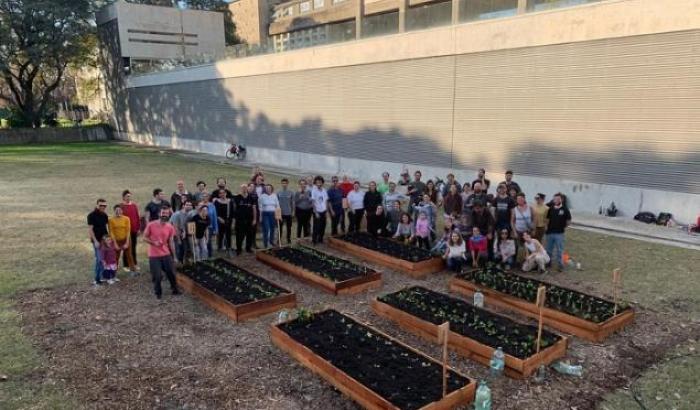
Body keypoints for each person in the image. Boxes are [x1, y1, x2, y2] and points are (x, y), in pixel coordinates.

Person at [143, 205, 180, 299]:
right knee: (158, 276)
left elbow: (171, 242)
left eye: (166, 213)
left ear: (169, 215)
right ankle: (158, 293)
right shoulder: (151, 224)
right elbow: (144, 237)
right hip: (154, 255)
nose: (164, 215)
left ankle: (175, 289)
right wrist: (153, 242)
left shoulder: (170, 227)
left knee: (171, 273)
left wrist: (174, 256)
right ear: (159, 213)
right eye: (163, 213)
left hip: (166, 254)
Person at [545, 193, 572, 272]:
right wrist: (547, 228)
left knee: (559, 250)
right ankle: (548, 262)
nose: (556, 200)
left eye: (558, 199)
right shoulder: (551, 208)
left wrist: (563, 227)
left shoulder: (565, 209)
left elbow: (568, 221)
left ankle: (560, 265)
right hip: (550, 233)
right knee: (549, 249)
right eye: (555, 199)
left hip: (559, 233)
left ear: (561, 200)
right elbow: (547, 219)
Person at [87, 198, 109, 285]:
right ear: (97, 205)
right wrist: (95, 241)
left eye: (105, 205)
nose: (103, 207)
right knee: (99, 259)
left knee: (104, 258)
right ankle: (97, 279)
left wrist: (108, 239)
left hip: (105, 240)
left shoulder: (105, 215)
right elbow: (90, 230)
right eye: (101, 205)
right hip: (97, 241)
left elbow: (106, 227)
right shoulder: (91, 215)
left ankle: (102, 276)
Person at [108, 204, 135, 273]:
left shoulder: (126, 218)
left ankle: (133, 270)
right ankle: (114, 272)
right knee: (116, 257)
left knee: (129, 255)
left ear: (122, 211)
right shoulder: (111, 220)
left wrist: (127, 242)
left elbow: (128, 230)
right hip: (116, 240)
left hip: (126, 239)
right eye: (116, 210)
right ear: (114, 211)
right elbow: (111, 232)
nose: (118, 212)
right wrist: (115, 244)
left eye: (119, 210)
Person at [120, 190, 141, 272]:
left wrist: (138, 228)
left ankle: (134, 263)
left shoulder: (134, 205)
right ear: (123, 197)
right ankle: (126, 265)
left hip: (134, 230)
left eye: (129, 196)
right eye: (127, 196)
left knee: (133, 247)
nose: (128, 197)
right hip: (126, 231)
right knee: (126, 247)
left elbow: (137, 216)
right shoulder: (121, 206)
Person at [233, 184, 257, 254]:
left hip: (249, 220)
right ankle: (239, 249)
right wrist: (234, 221)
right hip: (239, 220)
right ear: (240, 189)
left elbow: (254, 208)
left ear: (247, 188)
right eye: (242, 188)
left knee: (249, 235)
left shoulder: (251, 198)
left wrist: (255, 219)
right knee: (239, 236)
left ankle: (248, 248)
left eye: (245, 187)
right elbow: (234, 209)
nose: (244, 189)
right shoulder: (237, 198)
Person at [259, 184, 280, 248]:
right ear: (265, 189)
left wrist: (278, 215)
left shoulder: (274, 195)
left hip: (273, 214)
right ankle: (266, 243)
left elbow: (277, 205)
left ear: (271, 189)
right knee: (266, 229)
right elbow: (260, 207)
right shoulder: (262, 196)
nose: (268, 189)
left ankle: (271, 241)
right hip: (265, 214)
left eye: (269, 188)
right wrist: (260, 216)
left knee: (272, 228)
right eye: (267, 188)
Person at [311, 176, 329, 244]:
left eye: (320, 182)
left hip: (323, 211)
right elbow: (313, 202)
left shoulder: (324, 190)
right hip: (317, 211)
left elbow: (326, 201)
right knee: (316, 226)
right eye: (317, 182)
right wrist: (316, 213)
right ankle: (314, 240)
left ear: (322, 183)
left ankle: (320, 239)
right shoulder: (314, 190)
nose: (319, 183)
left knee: (323, 226)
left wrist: (326, 211)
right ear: (315, 183)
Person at [277, 178, 295, 244]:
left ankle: (288, 239)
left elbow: (293, 203)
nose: (284, 184)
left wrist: (293, 212)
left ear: (287, 184)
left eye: (285, 183)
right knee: (280, 228)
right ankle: (279, 239)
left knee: (289, 227)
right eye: (283, 183)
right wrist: (278, 213)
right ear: (281, 184)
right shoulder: (278, 192)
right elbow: (276, 203)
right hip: (281, 213)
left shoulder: (291, 192)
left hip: (288, 213)